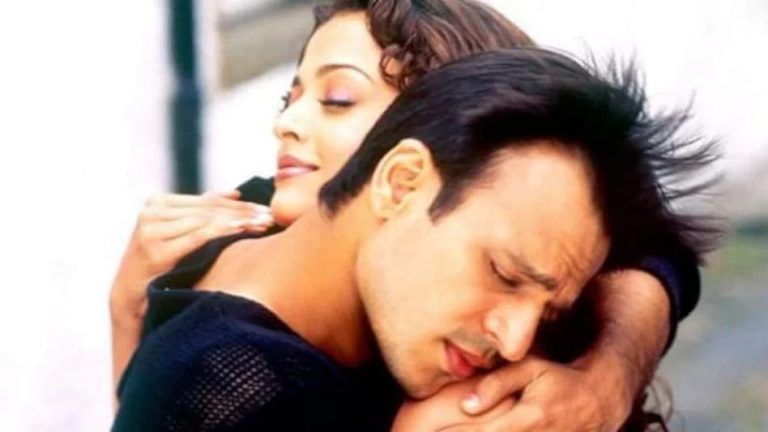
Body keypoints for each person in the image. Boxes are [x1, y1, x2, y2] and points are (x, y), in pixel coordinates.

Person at [110, 0, 707, 429]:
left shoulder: (471, 238)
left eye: (339, 100)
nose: (286, 123)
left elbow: (654, 251)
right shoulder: (243, 372)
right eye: (503, 274)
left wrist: (608, 375)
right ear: (402, 176)